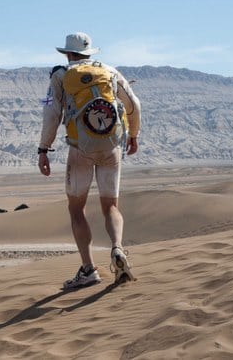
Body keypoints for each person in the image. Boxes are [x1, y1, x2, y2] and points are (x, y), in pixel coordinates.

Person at [38, 32, 141, 288]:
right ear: (89, 52)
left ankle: (87, 269)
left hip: (80, 149)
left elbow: (51, 114)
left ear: (67, 54)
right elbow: (134, 105)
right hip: (111, 147)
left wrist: (43, 149)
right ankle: (117, 248)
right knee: (111, 207)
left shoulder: (60, 75)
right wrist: (134, 135)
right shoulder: (110, 71)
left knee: (76, 208)